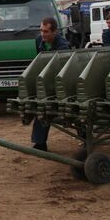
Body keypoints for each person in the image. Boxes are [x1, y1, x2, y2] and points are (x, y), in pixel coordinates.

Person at [30, 17, 70, 151]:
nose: (43, 34)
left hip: (62, 82)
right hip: (46, 82)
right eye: (41, 31)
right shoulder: (38, 41)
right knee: (42, 108)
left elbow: (61, 69)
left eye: (46, 31)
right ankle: (40, 143)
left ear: (54, 32)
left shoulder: (63, 45)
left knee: (74, 112)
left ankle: (84, 137)